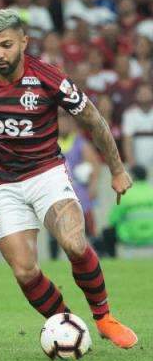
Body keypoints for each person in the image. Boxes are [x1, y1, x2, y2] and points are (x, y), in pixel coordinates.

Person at [0, 9, 137, 349]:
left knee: (73, 243)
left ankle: (103, 318)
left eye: (6, 45)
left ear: (24, 42)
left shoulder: (49, 77)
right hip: (2, 184)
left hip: (46, 173)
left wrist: (116, 169)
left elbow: (93, 119)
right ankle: (68, 325)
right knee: (25, 271)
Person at [49, 109, 100, 259]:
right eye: (60, 119)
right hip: (57, 192)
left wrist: (93, 185)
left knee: (89, 226)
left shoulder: (80, 143)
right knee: (54, 228)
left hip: (79, 192)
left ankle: (100, 256)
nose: (63, 123)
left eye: (66, 119)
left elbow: (95, 164)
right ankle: (54, 259)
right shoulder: (50, 143)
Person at [96, 165, 153, 258]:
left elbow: (113, 220)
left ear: (132, 176)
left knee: (107, 233)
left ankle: (112, 259)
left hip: (131, 235)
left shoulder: (126, 193)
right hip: (151, 235)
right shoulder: (151, 191)